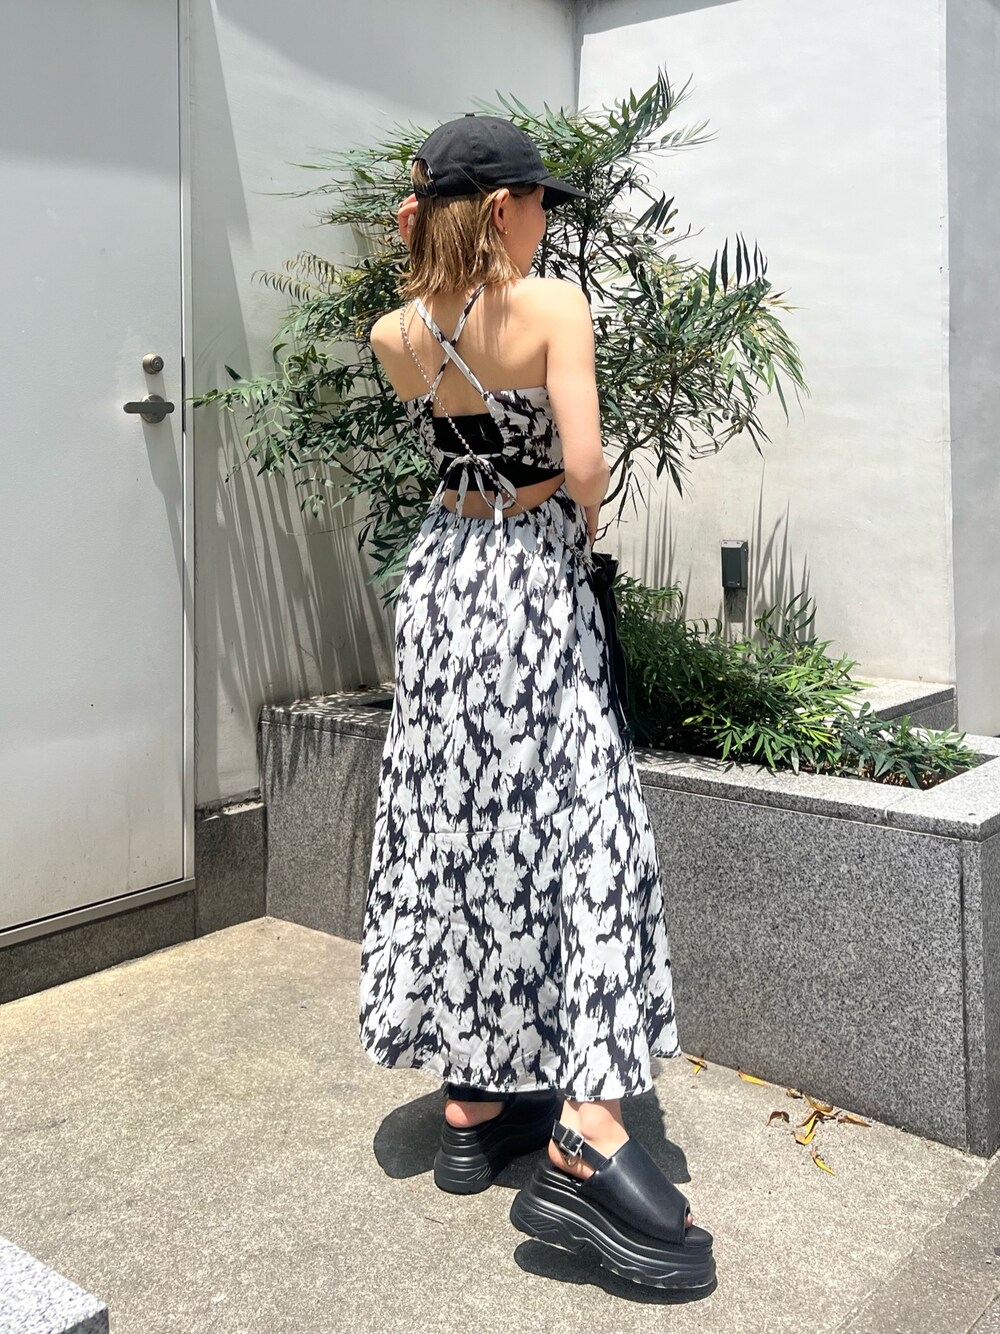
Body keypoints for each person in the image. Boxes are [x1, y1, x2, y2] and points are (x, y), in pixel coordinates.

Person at [358, 112, 715, 1291]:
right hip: (524, 581)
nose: (545, 222)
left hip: (439, 584)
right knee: (584, 826)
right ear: (503, 206)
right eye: (538, 203)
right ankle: (586, 1125)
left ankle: (471, 1103)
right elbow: (587, 464)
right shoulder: (553, 305)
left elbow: (449, 420)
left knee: (463, 828)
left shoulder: (395, 331)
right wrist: (571, 514)